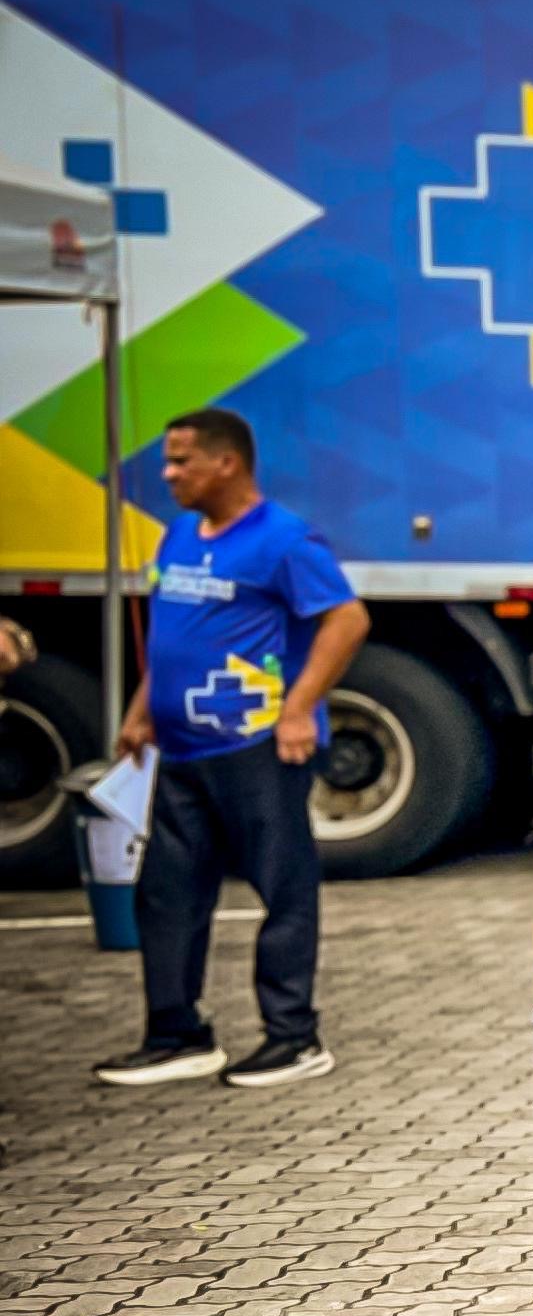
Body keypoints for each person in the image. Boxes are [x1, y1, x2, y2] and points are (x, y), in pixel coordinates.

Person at [93, 408, 368, 1090]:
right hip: (180, 753)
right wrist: (140, 713)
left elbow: (346, 619)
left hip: (256, 750)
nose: (168, 474)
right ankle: (176, 1035)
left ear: (227, 463)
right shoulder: (179, 536)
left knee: (283, 892)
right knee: (167, 896)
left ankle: (293, 1036)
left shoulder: (283, 540)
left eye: (180, 460)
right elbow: (173, 641)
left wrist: (297, 709)